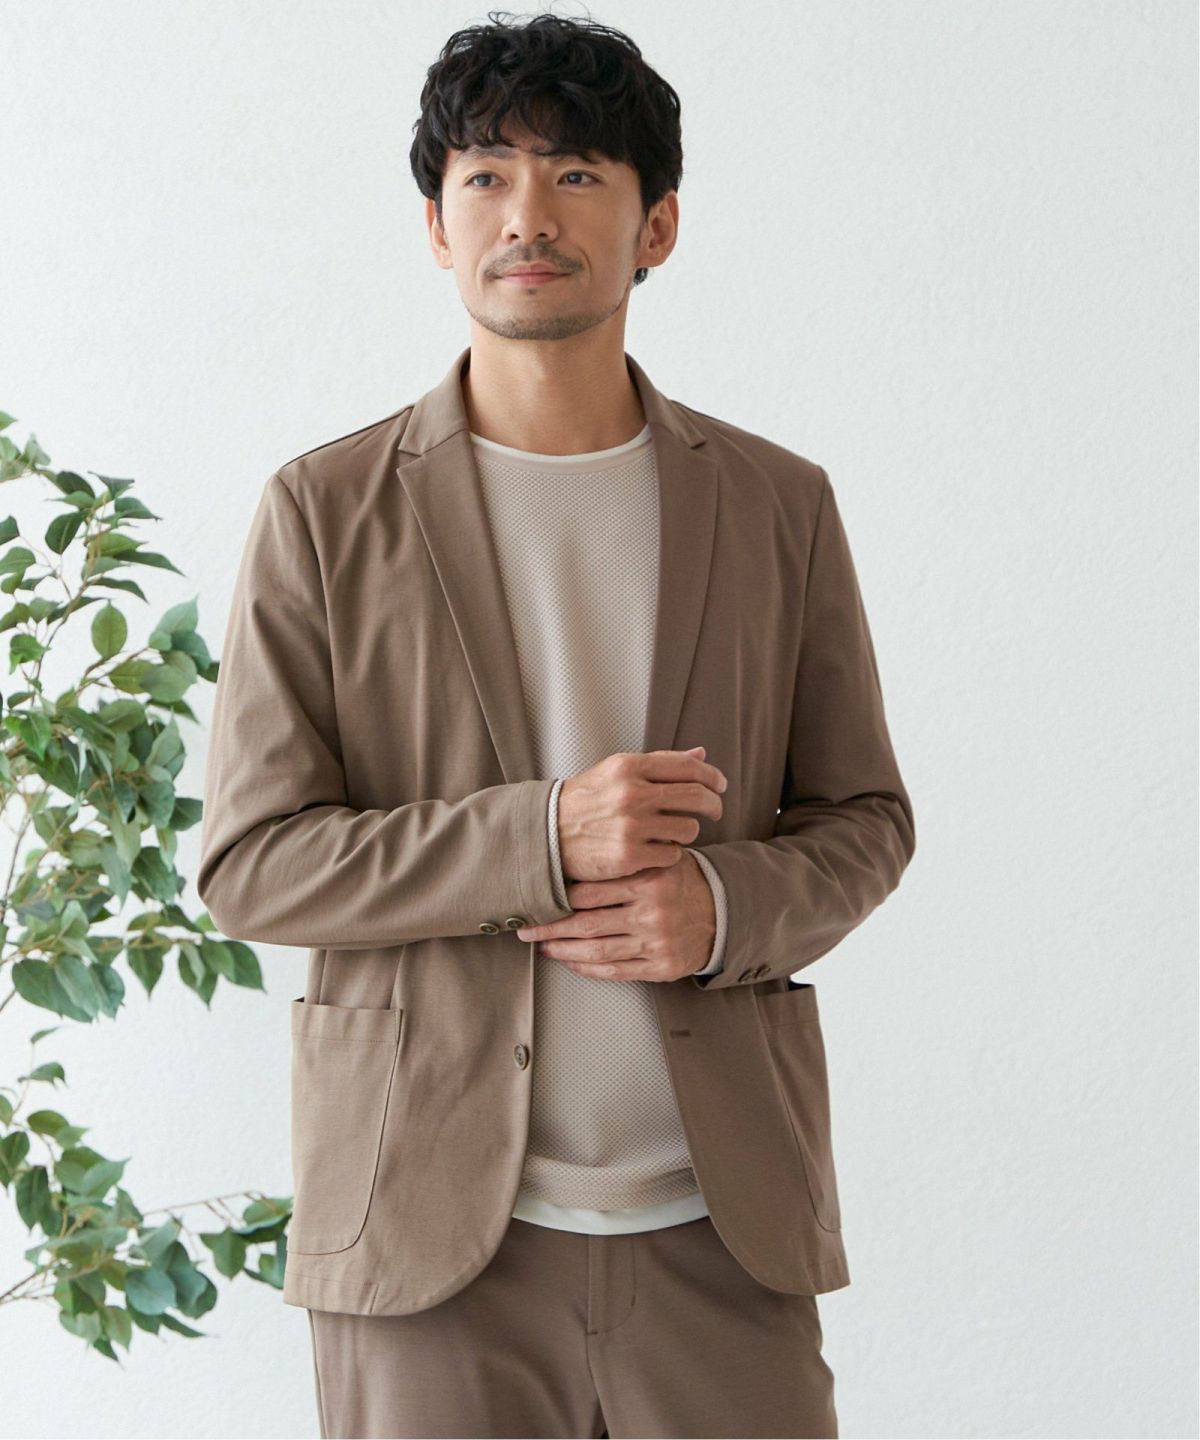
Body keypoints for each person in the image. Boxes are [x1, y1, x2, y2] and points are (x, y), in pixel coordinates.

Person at [198, 12, 916, 1439]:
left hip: (724, 1232)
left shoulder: (777, 503)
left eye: (578, 173)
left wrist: (722, 907)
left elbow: (865, 820)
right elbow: (250, 865)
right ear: (437, 224)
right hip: (428, 1241)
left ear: (657, 227)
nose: (527, 214)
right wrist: (537, 837)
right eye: (486, 176)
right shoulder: (325, 510)